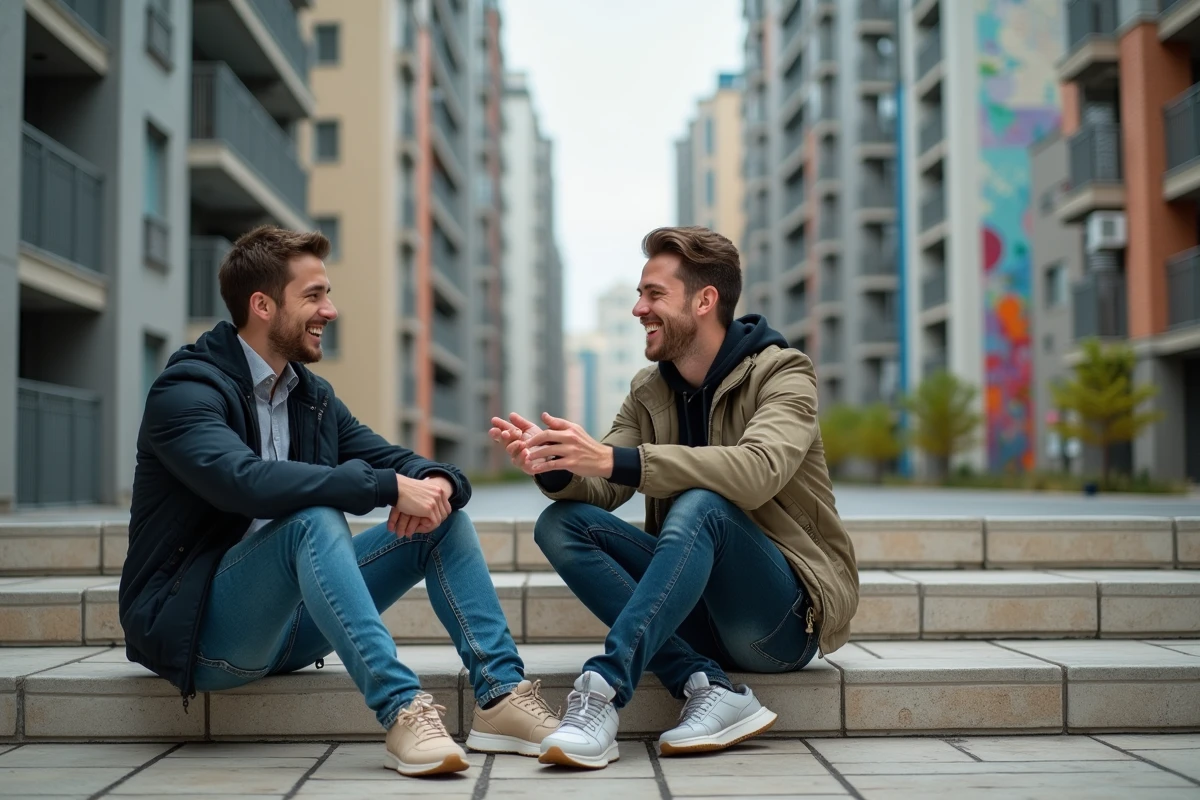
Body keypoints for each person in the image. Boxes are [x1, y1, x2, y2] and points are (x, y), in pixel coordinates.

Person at [120, 225, 559, 778]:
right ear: (261, 305)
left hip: (292, 628)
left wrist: (440, 485)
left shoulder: (312, 398)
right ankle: (402, 709)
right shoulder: (186, 390)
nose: (330, 309)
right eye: (314, 295)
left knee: (441, 522)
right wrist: (382, 488)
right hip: (203, 630)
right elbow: (243, 481)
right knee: (313, 518)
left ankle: (500, 697)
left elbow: (400, 461)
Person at [490, 226, 859, 769]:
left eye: (654, 294)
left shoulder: (783, 373)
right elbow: (604, 484)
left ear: (705, 300)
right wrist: (554, 465)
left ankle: (605, 690)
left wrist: (612, 459)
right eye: (640, 294)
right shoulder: (649, 389)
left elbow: (759, 470)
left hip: (780, 621)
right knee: (561, 522)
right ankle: (706, 684)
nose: (640, 308)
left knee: (701, 504)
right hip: (693, 612)